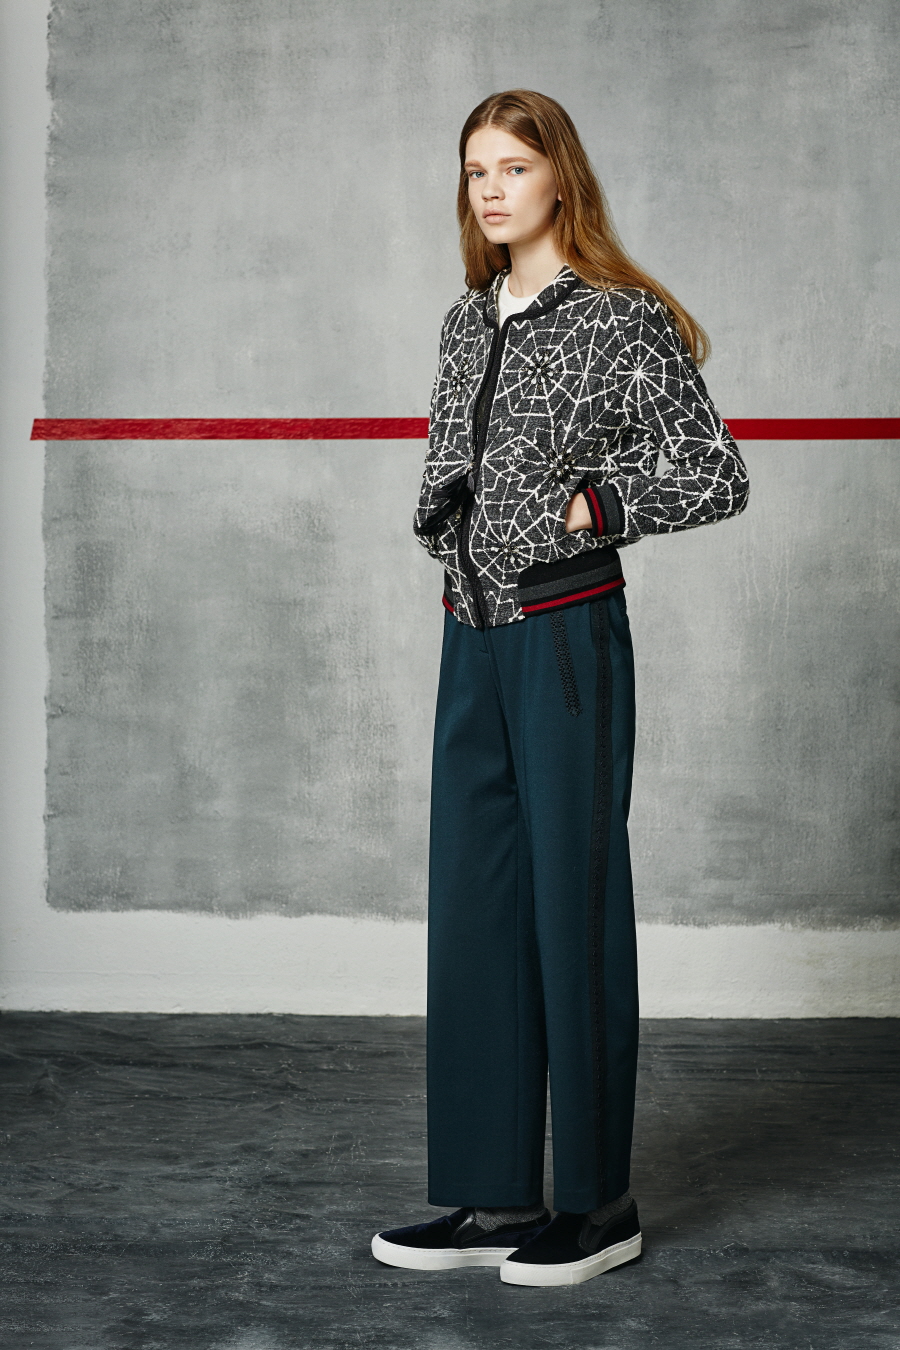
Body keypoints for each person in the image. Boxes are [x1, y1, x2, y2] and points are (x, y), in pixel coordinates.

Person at [371, 89, 748, 1287]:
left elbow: (716, 472)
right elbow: (459, 458)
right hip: (470, 634)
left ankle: (596, 1204)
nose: (491, 189)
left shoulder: (621, 319)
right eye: (475, 169)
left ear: (559, 179)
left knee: (569, 907)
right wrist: (449, 514)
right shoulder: (464, 319)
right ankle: (492, 1196)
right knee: (476, 907)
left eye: (514, 167)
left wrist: (596, 506)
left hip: (567, 634)